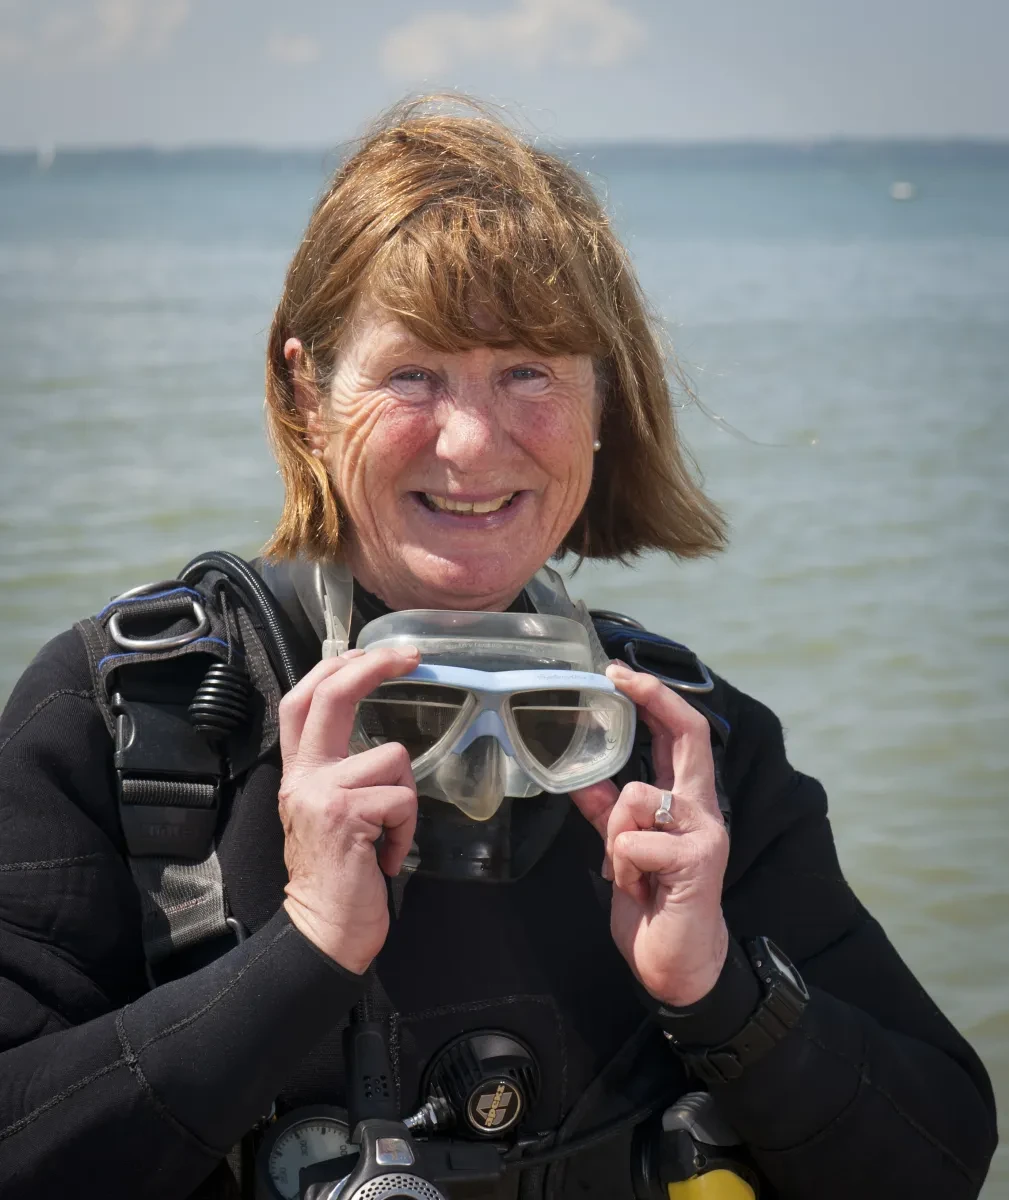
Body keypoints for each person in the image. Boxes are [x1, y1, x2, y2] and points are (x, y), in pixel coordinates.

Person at [0, 101, 996, 1200]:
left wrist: (720, 993)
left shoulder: (688, 754)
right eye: (412, 374)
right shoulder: (130, 728)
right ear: (306, 391)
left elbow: (941, 1159)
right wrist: (302, 952)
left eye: (529, 371)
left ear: (603, 396)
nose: (470, 443)